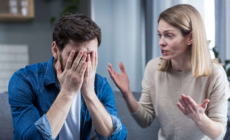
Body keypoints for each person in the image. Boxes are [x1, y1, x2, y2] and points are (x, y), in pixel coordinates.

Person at [108, 4, 230, 140]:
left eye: (169, 36)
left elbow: (219, 134)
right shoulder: (153, 68)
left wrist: (199, 118)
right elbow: (144, 120)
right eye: (160, 35)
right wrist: (127, 94)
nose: (161, 42)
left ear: (190, 38)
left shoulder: (215, 74)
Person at [8, 14, 127, 140]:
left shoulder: (100, 85)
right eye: (76, 55)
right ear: (55, 50)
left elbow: (118, 137)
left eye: (90, 55)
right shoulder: (24, 80)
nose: (84, 63)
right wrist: (67, 92)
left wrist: (90, 94)